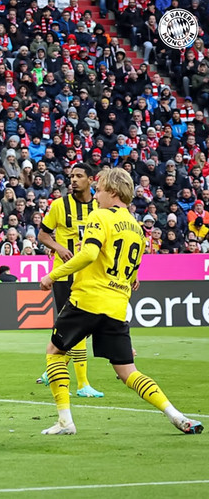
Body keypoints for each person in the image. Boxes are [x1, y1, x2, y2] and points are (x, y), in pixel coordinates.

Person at [38, 169, 203, 436]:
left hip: (88, 298)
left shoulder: (99, 216)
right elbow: (133, 277)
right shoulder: (138, 228)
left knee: (54, 352)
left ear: (112, 192)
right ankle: (177, 415)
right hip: (117, 306)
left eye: (100, 190)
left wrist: (53, 275)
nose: (96, 195)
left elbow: (90, 253)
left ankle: (65, 421)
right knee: (128, 372)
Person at [36, 163, 104, 398]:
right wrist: (58, 247)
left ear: (90, 180)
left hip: (92, 275)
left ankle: (54, 366)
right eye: (71, 176)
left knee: (75, 327)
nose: (73, 180)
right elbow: (42, 234)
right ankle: (82, 383)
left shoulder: (100, 206)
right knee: (77, 326)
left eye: (78, 176)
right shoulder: (59, 205)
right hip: (65, 275)